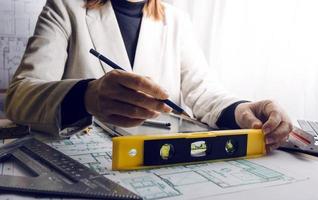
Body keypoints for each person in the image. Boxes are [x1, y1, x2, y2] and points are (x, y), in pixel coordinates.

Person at [5, 0, 292, 151]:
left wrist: (242, 110)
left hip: (159, 163)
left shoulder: (176, 20)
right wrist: (87, 96)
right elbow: (20, 95)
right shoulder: (65, 7)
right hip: (85, 167)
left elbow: (204, 93)